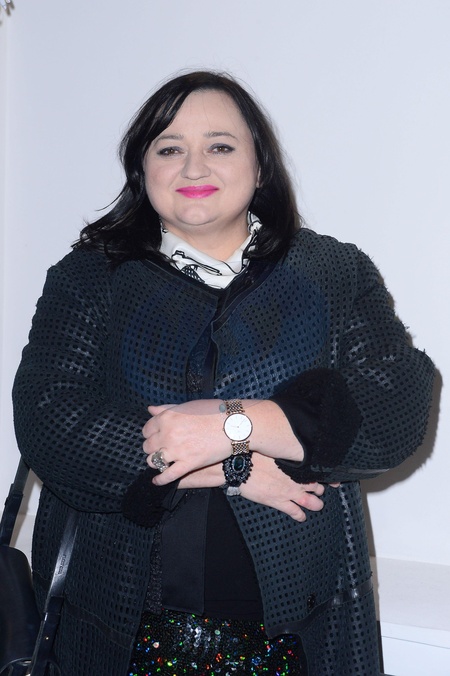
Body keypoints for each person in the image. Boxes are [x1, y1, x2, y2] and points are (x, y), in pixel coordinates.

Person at [12, 70, 434, 676]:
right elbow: (50, 421)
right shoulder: (90, 276)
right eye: (169, 149)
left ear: (259, 167)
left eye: (219, 146)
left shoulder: (333, 272)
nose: (193, 167)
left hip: (298, 631)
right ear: (142, 169)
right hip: (112, 629)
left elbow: (395, 408)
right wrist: (236, 466)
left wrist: (233, 426)